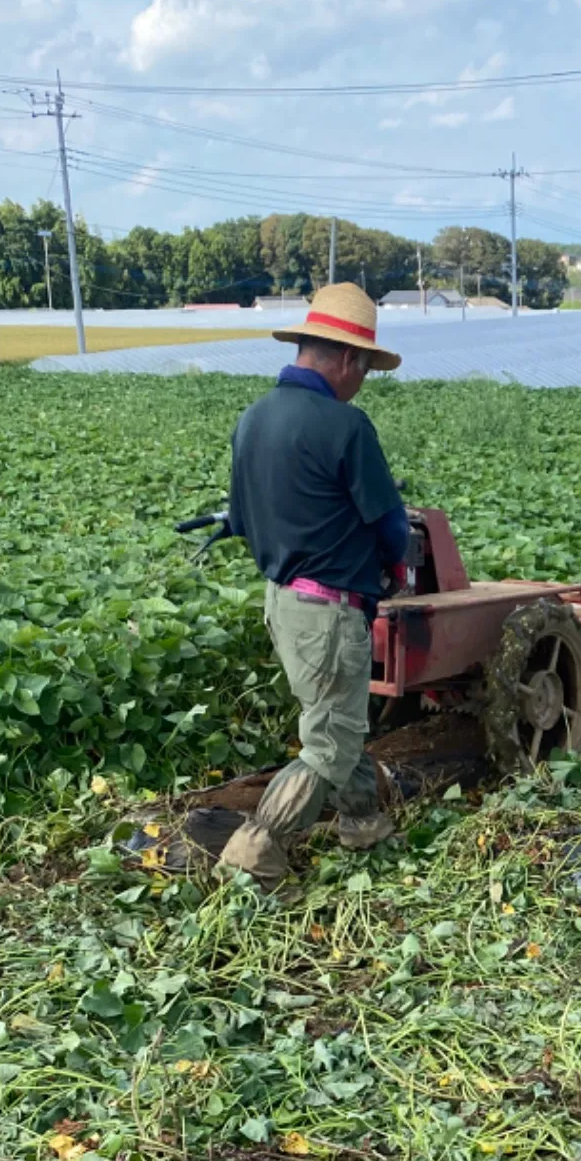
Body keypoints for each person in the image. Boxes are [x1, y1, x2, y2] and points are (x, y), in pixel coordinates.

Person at [218, 283, 408, 881]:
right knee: (328, 744)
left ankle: (362, 823)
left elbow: (242, 520)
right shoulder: (345, 426)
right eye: (366, 368)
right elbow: (393, 529)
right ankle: (255, 851)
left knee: (335, 718)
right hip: (330, 612)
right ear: (348, 358)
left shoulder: (254, 418)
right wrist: (391, 564)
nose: (363, 380)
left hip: (282, 604)